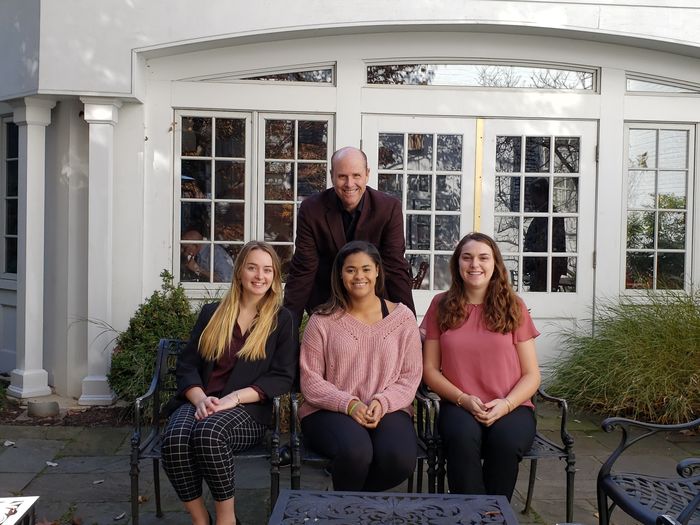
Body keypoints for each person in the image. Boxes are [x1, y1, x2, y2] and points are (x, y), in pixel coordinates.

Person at [161, 241, 296, 525]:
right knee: (174, 438)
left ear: (275, 277)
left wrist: (233, 399)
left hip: (247, 411)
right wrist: (200, 399)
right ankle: (201, 520)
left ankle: (226, 520)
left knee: (208, 434)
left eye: (267, 270)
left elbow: (282, 377)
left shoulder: (282, 320)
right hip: (202, 400)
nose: (260, 276)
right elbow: (187, 365)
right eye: (252, 268)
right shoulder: (213, 313)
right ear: (239, 273)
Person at [422, 232, 541, 500]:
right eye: (467, 258)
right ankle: (472, 514)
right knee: (462, 440)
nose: (475, 264)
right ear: (457, 264)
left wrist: (507, 404)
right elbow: (429, 369)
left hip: (512, 405)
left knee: (506, 442)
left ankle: (494, 513)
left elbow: (532, 374)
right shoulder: (440, 305)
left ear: (495, 264)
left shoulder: (514, 306)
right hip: (459, 404)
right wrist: (463, 399)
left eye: (483, 258)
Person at [299, 240, 422, 491]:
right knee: (356, 453)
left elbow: (410, 376)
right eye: (351, 269)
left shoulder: (403, 318)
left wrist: (382, 401)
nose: (359, 276)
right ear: (341, 275)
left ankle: (351, 503)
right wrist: (350, 404)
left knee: (400, 460)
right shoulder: (321, 320)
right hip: (328, 411)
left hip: (387, 407)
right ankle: (350, 511)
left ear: (377, 271)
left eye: (366, 268)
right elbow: (310, 381)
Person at [283, 146, 415, 328]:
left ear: (367, 174)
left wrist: (409, 325)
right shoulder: (312, 210)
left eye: (356, 176)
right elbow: (303, 271)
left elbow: (395, 268)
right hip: (328, 309)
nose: (349, 184)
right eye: (342, 176)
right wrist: (286, 332)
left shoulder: (388, 209)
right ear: (332, 175)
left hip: (373, 311)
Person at [523, 178, 567, 291]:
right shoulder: (544, 215)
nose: (531, 200)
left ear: (541, 195)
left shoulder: (550, 217)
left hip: (545, 269)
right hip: (542, 268)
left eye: (532, 196)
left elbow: (546, 244)